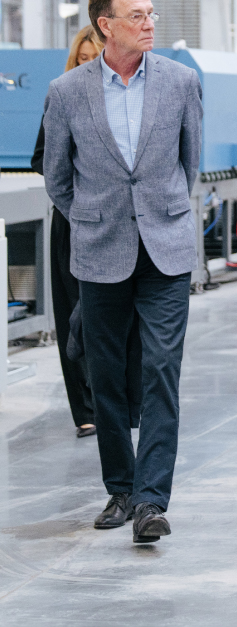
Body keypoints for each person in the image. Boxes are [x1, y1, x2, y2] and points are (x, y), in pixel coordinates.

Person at [42, 0, 203, 544]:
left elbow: (189, 163)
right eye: (137, 15)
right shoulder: (67, 92)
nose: (149, 23)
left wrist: (159, 214)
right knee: (105, 374)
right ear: (105, 25)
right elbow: (57, 177)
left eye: (151, 13)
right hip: (100, 250)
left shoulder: (181, 82)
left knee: (161, 370)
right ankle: (121, 488)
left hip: (166, 249)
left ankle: (151, 500)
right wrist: (94, 219)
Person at [31, 26, 103, 438]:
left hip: (115, 224)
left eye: (94, 57)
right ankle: (85, 410)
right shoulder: (62, 96)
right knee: (73, 314)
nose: (87, 65)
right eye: (81, 58)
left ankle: (117, 401)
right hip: (73, 220)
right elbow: (41, 158)